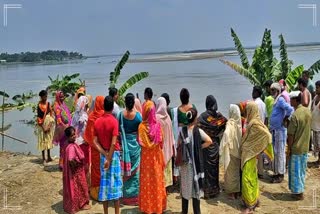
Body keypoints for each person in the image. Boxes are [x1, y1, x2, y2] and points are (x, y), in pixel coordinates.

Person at [241, 102, 273, 214]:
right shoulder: (258, 120)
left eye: (247, 110)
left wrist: (257, 147)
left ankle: (249, 206)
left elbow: (267, 136)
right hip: (251, 154)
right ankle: (255, 200)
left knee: (247, 179)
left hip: (249, 155)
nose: (246, 112)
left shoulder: (254, 123)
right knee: (253, 177)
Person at [179, 108, 212, 214]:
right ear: (195, 119)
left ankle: (184, 212)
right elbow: (209, 141)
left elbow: (179, 145)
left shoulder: (182, 131)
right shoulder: (198, 131)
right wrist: (198, 147)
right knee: (195, 192)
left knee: (185, 191)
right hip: (195, 165)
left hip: (185, 165)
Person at [93, 96, 122, 214]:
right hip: (113, 155)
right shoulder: (114, 121)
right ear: (112, 106)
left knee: (104, 184)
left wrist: (104, 154)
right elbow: (114, 143)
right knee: (115, 185)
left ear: (103, 106)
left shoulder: (97, 121)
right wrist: (109, 158)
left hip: (103, 155)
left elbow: (95, 141)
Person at [138, 100, 166, 213]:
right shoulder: (158, 126)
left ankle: (147, 207)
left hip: (146, 159)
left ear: (144, 111)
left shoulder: (141, 127)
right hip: (156, 158)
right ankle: (158, 206)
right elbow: (161, 143)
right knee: (157, 181)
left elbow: (141, 143)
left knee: (147, 182)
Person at [198, 95, 227, 198]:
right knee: (215, 168)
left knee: (206, 168)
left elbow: (196, 129)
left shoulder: (203, 117)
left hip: (206, 146)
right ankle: (215, 190)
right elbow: (226, 125)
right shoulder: (220, 117)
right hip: (215, 145)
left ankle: (207, 190)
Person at [118, 93, 142, 205]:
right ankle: (134, 198)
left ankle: (125, 196)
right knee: (135, 172)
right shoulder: (138, 116)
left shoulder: (120, 115)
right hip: (135, 147)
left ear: (125, 102)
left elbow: (117, 131)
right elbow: (141, 132)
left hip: (124, 146)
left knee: (125, 172)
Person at [287, 91, 312, 200]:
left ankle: (298, 193)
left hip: (296, 148)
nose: (290, 101)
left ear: (295, 100)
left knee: (295, 171)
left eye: (291, 99)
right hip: (305, 146)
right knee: (301, 170)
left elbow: (291, 135)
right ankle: (300, 190)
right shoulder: (307, 111)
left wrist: (289, 149)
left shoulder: (295, 115)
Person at [270, 83, 294, 183]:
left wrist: (285, 118)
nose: (271, 92)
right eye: (271, 90)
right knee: (275, 151)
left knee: (280, 152)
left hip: (280, 130)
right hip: (275, 129)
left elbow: (290, 109)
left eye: (273, 90)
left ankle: (280, 174)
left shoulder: (280, 99)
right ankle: (276, 172)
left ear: (278, 91)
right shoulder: (276, 100)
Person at [63, 126, 90, 214]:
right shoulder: (71, 147)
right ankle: (81, 204)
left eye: (74, 134)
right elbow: (71, 160)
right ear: (68, 137)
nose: (74, 136)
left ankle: (79, 203)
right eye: (72, 135)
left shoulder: (71, 145)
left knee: (78, 188)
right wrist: (76, 168)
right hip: (76, 172)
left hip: (77, 171)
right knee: (80, 187)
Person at [172, 88, 197, 180]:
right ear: (188, 97)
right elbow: (195, 121)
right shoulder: (193, 107)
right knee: (191, 153)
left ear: (180, 98)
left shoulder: (178, 110)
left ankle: (180, 175)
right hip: (191, 132)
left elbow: (176, 123)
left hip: (181, 134)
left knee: (181, 153)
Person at [83, 96, 105, 200]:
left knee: (96, 169)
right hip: (105, 149)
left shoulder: (91, 117)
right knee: (105, 169)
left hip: (95, 149)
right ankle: (105, 192)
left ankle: (96, 193)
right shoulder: (105, 116)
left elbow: (88, 135)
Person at [220, 104, 242, 199]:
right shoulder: (239, 122)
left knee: (230, 173)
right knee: (236, 172)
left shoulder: (231, 123)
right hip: (238, 151)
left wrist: (224, 144)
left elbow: (226, 133)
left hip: (231, 151)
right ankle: (237, 192)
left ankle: (231, 194)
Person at [156, 97, 175, 189]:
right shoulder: (168, 119)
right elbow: (171, 135)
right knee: (167, 168)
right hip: (167, 148)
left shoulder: (156, 118)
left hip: (159, 148)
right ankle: (166, 187)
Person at [71, 96, 90, 181]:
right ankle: (84, 182)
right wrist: (87, 140)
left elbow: (73, 128)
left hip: (76, 142)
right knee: (85, 162)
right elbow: (84, 130)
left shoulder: (75, 115)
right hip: (83, 142)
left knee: (78, 162)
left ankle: (78, 181)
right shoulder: (84, 116)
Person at [53, 90, 72, 170]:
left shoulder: (63, 105)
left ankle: (66, 162)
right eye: (60, 97)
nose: (62, 98)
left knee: (67, 146)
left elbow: (67, 115)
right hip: (62, 130)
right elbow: (59, 120)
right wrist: (66, 126)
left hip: (67, 128)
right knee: (63, 146)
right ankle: (61, 164)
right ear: (57, 97)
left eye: (63, 96)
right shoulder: (57, 106)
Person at [252, 86, 267, 178]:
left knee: (254, 152)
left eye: (253, 91)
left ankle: (254, 171)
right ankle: (260, 172)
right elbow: (266, 118)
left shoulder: (254, 104)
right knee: (260, 151)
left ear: (256, 92)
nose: (252, 93)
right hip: (262, 128)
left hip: (255, 129)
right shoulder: (263, 104)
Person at [36, 90, 55, 164]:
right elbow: (38, 117)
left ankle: (49, 156)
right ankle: (44, 158)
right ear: (41, 97)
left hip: (48, 123)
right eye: (44, 96)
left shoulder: (48, 104)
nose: (46, 97)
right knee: (43, 141)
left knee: (49, 140)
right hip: (42, 125)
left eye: (46, 96)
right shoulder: (39, 105)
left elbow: (51, 113)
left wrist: (50, 125)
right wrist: (43, 128)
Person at [311, 80, 320, 163]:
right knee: (316, 144)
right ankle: (318, 159)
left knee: (319, 144)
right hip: (314, 126)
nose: (316, 89)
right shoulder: (315, 98)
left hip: (319, 127)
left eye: (317, 88)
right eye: (316, 87)